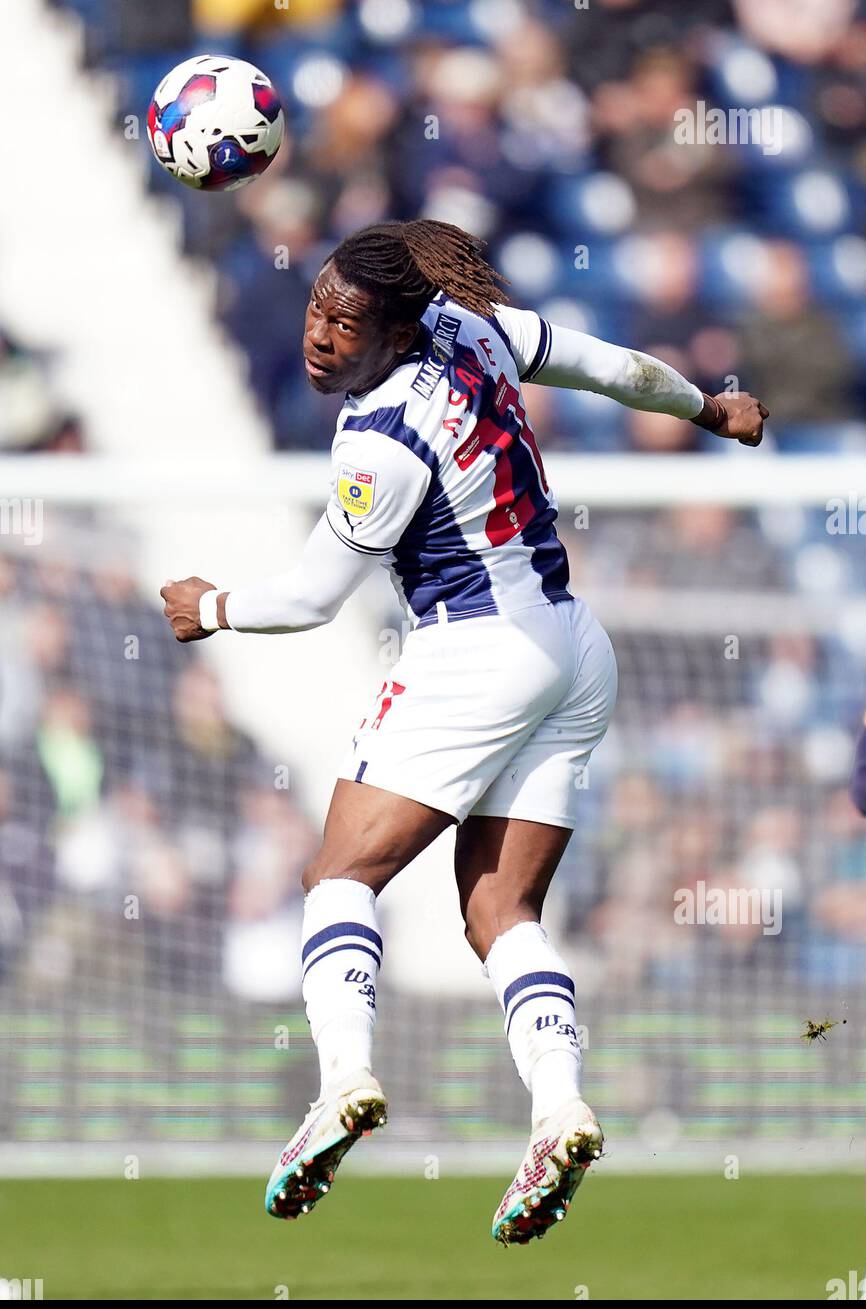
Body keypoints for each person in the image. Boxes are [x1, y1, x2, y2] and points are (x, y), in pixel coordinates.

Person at [160, 219, 768, 1245]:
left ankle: (342, 1079)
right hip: (571, 649)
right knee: (499, 911)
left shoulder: (379, 439)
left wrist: (210, 608)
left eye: (344, 322)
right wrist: (703, 405)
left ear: (394, 327)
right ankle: (557, 1109)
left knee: (340, 880)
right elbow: (604, 365)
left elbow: (312, 599)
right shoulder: (474, 325)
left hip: (473, 655)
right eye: (315, 308)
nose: (319, 335)